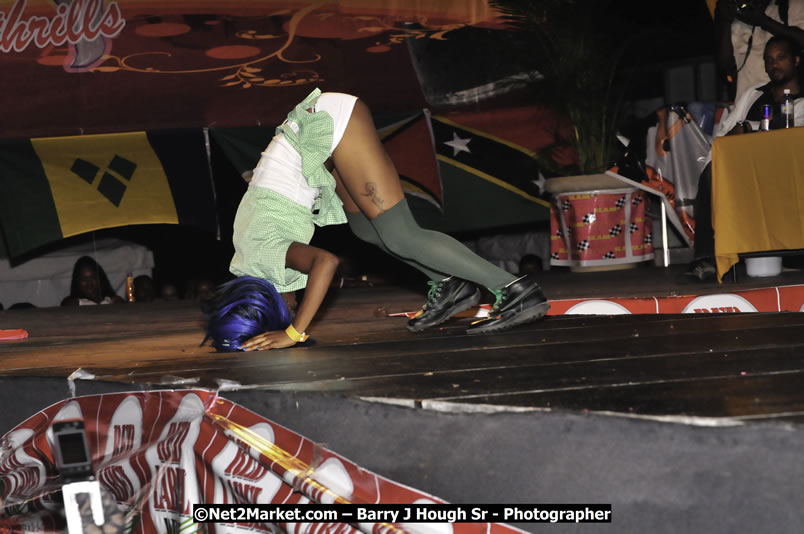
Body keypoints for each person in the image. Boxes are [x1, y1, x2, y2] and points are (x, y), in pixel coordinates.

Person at [223, 88, 549, 351]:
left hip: (327, 126)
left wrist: (294, 332)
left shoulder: (265, 256)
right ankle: (452, 288)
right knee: (366, 230)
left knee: (400, 234)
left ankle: (515, 290)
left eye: (287, 311)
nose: (293, 309)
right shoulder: (248, 261)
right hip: (315, 146)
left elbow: (326, 263)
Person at [687, 35, 804, 280]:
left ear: (796, 60)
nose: (774, 65)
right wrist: (736, 134)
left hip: (790, 175)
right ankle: (707, 258)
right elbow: (722, 138)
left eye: (780, 58)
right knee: (712, 173)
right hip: (749, 176)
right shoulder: (753, 95)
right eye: (769, 60)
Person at [716, 0, 804, 102]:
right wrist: (724, 19)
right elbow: (724, 65)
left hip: (784, 102)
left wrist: (763, 22)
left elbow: (801, 40)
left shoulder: (793, 6)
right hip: (746, 103)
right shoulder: (738, 14)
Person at [61, 256, 125, 306]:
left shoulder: (113, 300)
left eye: (93, 278)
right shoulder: (73, 303)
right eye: (84, 279)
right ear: (77, 281)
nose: (89, 283)